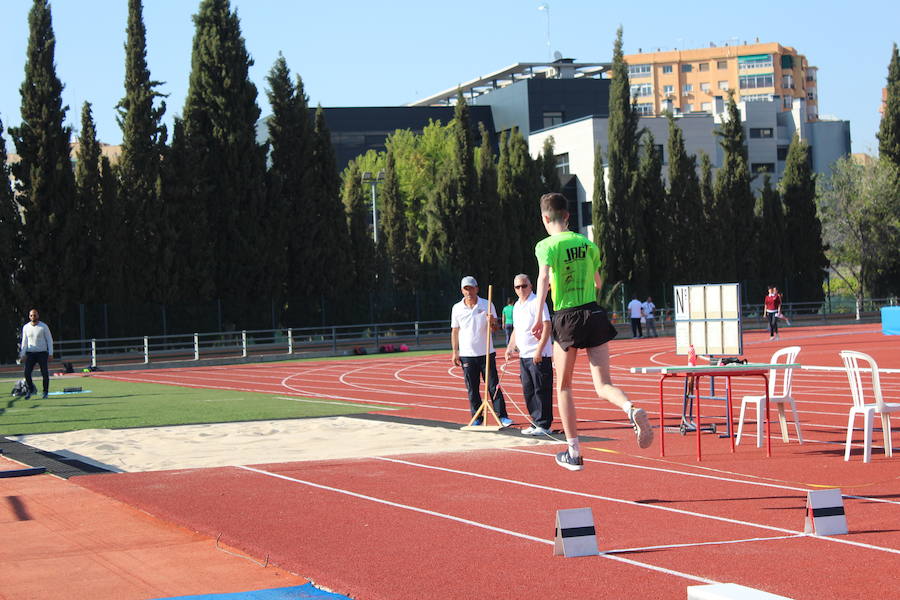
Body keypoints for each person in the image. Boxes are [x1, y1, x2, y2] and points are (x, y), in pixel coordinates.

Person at [531, 193, 653, 471]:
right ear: (568, 216)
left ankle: (574, 452)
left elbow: (541, 278)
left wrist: (539, 315)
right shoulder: (588, 243)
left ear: (545, 218)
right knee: (603, 385)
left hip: (566, 316)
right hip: (594, 313)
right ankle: (631, 409)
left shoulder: (546, 245)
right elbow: (598, 283)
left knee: (563, 387)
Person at [451, 276, 512, 427]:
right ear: (462, 290)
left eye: (471, 288)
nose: (469, 291)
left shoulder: (487, 304)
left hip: (486, 353)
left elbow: (496, 329)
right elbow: (455, 331)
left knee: (493, 386)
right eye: (466, 289)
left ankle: (502, 416)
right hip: (467, 355)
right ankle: (477, 417)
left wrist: (491, 321)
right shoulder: (457, 308)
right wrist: (454, 351)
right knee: (472, 388)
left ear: (477, 288)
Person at [505, 274, 553, 436]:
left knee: (541, 389)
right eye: (517, 287)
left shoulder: (538, 303)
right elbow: (516, 330)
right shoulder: (517, 306)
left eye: (524, 286)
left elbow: (547, 326)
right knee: (529, 390)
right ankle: (535, 421)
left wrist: (539, 350)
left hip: (539, 354)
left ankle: (544, 424)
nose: (521, 289)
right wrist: (510, 347)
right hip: (523, 355)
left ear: (531, 286)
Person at [19, 308, 53, 400]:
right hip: (30, 353)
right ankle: (30, 389)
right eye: (31, 315)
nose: (33, 317)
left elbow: (49, 340)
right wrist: (22, 354)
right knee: (27, 373)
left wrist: (50, 353)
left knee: (44, 373)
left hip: (42, 353)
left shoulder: (43, 326)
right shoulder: (26, 327)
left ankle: (45, 391)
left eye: (35, 315)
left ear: (38, 316)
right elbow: (24, 342)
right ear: (29, 316)